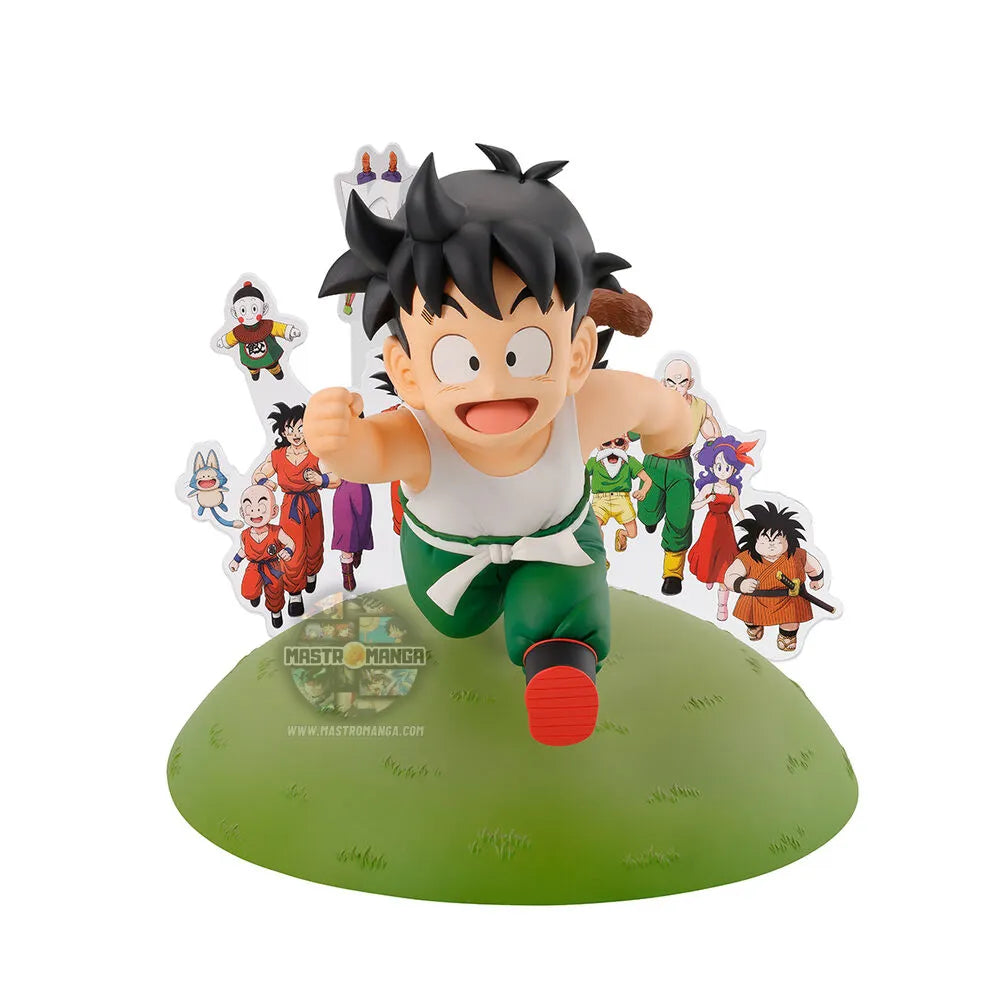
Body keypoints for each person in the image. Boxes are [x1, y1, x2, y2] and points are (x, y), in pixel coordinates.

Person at [306, 144, 688, 746]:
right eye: (457, 357)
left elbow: (652, 405)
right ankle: (500, 615)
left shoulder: (584, 405)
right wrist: (337, 439)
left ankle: (560, 666)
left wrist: (676, 432)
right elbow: (370, 454)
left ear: (577, 354)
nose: (491, 387)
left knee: (563, 602)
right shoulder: (419, 434)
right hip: (445, 563)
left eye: (525, 351)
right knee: (457, 624)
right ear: (408, 373)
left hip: (556, 542)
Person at [637, 358, 721, 595]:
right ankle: (650, 518)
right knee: (647, 510)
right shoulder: (652, 405)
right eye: (671, 383)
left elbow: (714, 436)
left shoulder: (700, 408)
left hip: (681, 467)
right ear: (663, 383)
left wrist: (714, 451)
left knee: (680, 518)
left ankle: (672, 574)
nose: (676, 388)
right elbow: (630, 429)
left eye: (682, 383)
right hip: (653, 464)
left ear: (690, 383)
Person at [252, 402, 333, 616]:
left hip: (312, 504)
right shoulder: (278, 455)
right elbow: (258, 474)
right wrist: (264, 482)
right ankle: (295, 594)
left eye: (300, 428)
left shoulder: (317, 454)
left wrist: (321, 480)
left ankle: (312, 572)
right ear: (283, 432)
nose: (295, 434)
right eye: (289, 429)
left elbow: (336, 477)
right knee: (292, 550)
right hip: (290, 508)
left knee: (314, 545)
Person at [723, 502, 827, 652]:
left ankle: (787, 636)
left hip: (789, 600)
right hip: (756, 599)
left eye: (777, 538)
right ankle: (754, 627)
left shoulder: (798, 555)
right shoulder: (746, 558)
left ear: (788, 539)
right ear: (754, 539)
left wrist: (817, 578)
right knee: (750, 617)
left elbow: (813, 565)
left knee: (790, 621)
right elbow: (730, 575)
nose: (771, 543)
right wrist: (741, 584)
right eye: (765, 538)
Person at [687, 436, 756, 620]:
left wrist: (748, 525)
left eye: (727, 467)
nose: (723, 471)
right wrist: (706, 500)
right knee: (709, 555)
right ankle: (708, 576)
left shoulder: (733, 489)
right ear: (712, 467)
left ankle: (722, 606)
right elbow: (693, 505)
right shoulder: (709, 487)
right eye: (719, 466)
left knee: (725, 563)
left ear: (733, 469)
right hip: (711, 526)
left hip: (726, 527)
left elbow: (737, 509)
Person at [228, 485, 294, 629]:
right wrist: (236, 561)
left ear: (274, 511)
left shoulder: (276, 531)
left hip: (273, 566)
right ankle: (255, 594)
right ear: (242, 512)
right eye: (249, 507)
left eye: (261, 507)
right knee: (248, 590)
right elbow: (243, 550)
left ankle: (275, 612)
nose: (255, 511)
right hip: (254, 566)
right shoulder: (245, 535)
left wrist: (288, 550)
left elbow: (290, 542)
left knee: (275, 590)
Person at [586, 431, 652, 566]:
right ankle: (601, 558)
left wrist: (643, 492)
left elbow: (647, 480)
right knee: (594, 529)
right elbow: (580, 476)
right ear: (600, 446)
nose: (612, 447)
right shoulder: (593, 462)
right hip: (600, 500)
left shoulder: (630, 462)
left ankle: (622, 534)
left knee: (633, 533)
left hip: (622, 500)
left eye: (618, 442)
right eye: (607, 443)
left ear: (625, 446)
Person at [215, 280, 302, 381]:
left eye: (254, 309)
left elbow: (279, 328)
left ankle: (277, 372)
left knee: (273, 366)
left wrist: (290, 331)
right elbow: (231, 337)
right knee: (252, 368)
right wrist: (223, 341)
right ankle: (254, 373)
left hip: (269, 357)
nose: (249, 315)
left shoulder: (267, 325)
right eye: (243, 310)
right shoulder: (238, 331)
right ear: (235, 313)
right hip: (250, 360)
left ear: (264, 309)